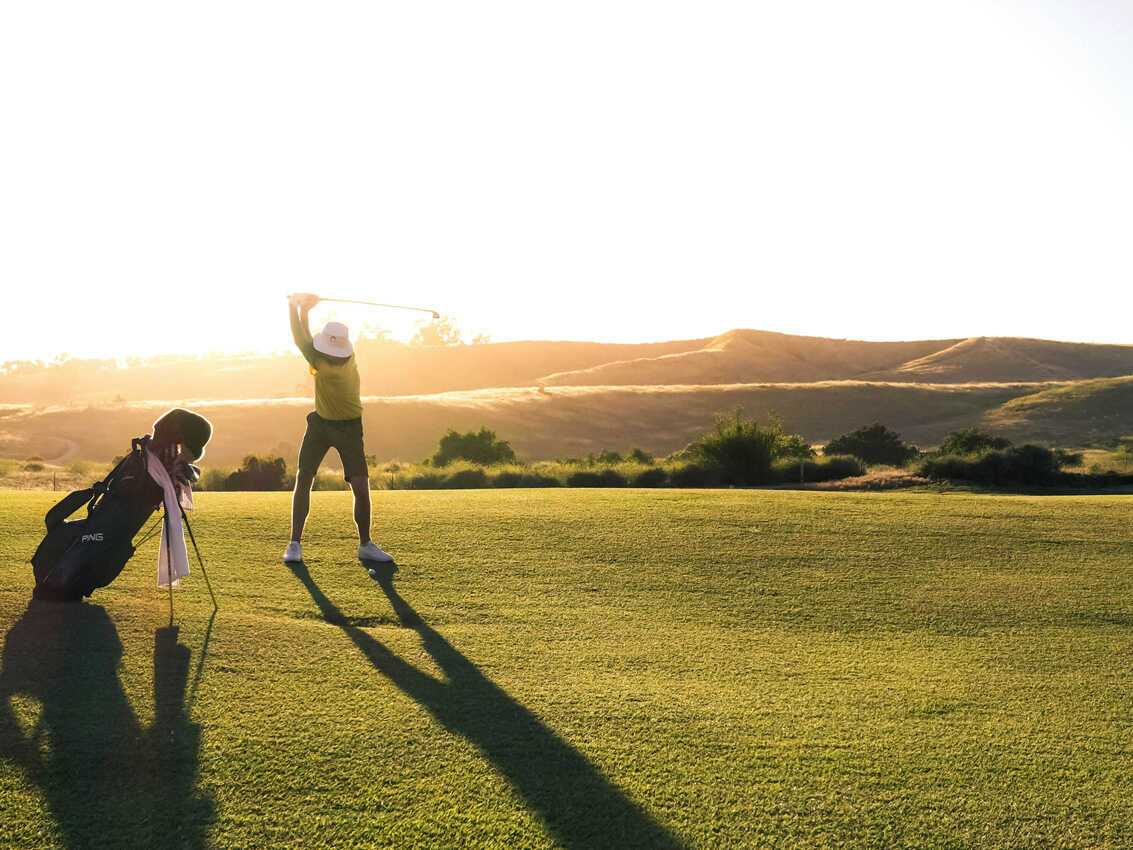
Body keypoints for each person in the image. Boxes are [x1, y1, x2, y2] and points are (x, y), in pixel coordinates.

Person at [283, 293, 393, 566]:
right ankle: (294, 543)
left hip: (349, 428)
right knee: (304, 478)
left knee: (360, 486)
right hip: (321, 425)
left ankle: (366, 545)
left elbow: (300, 339)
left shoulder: (323, 361)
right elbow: (305, 340)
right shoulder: (336, 356)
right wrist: (303, 310)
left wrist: (296, 307)